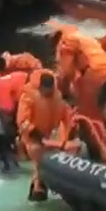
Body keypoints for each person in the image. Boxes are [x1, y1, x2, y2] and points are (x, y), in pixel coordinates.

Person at [16, 70, 75, 202]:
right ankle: (37, 191)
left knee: (42, 167)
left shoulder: (58, 97)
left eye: (50, 90)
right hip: (32, 138)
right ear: (40, 87)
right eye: (45, 90)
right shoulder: (28, 96)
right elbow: (22, 121)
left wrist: (70, 135)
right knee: (39, 164)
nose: (48, 93)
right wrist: (37, 134)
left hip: (50, 137)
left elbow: (68, 118)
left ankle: (40, 192)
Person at [49, 26, 106, 130]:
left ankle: (99, 140)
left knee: (88, 116)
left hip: (94, 74)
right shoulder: (86, 39)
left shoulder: (67, 42)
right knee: (102, 108)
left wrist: (63, 92)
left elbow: (66, 73)